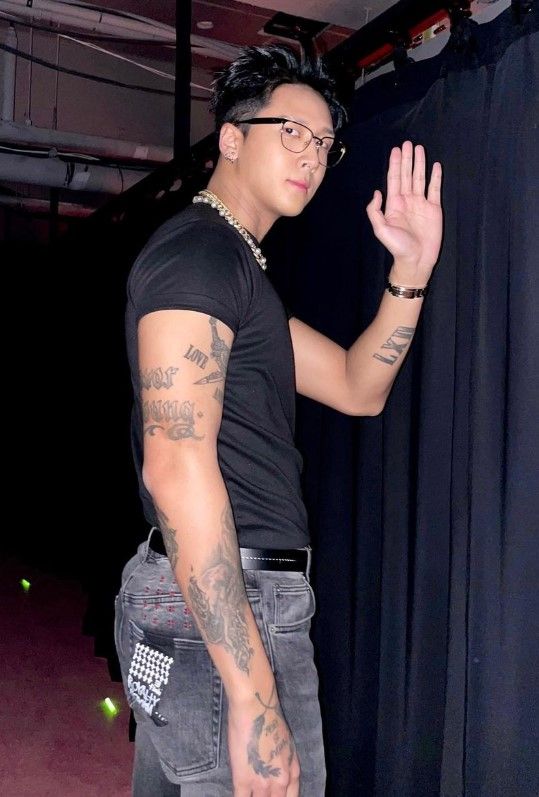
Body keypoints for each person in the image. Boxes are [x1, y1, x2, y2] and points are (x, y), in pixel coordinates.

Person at [114, 44, 443, 797]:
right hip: (232, 604)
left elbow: (358, 386)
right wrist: (255, 701)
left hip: (206, 599)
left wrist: (411, 269)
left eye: (324, 143)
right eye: (291, 131)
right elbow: (176, 467)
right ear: (232, 138)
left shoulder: (234, 270)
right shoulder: (200, 257)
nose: (312, 156)